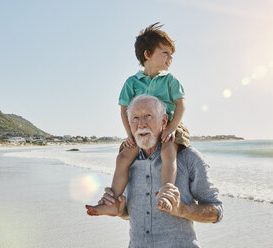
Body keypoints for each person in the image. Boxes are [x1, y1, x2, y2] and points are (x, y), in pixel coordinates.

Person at [86, 95, 223, 247]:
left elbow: (216, 212)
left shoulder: (189, 158)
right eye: (135, 118)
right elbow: (128, 214)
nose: (141, 124)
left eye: (148, 116)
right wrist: (120, 210)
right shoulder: (126, 162)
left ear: (164, 121)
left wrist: (182, 209)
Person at [88, 22, 188, 214]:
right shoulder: (131, 82)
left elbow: (181, 105)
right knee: (123, 157)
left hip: (169, 126)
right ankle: (111, 201)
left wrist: (172, 129)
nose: (170, 58)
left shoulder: (170, 80)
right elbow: (124, 110)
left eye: (172, 55)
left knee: (168, 150)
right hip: (141, 129)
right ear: (147, 54)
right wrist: (129, 135)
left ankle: (167, 194)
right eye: (165, 53)